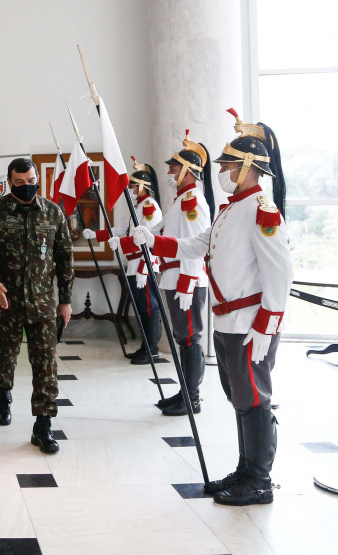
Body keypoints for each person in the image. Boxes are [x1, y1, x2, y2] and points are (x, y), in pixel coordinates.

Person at [132, 109, 291, 506]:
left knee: (255, 399)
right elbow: (194, 245)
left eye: (229, 166)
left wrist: (266, 326)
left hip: (249, 322)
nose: (221, 172)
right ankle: (245, 469)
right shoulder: (230, 209)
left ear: (248, 168)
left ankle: (259, 480)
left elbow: (280, 274)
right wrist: (153, 241)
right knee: (240, 397)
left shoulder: (261, 211)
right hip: (227, 321)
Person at [0, 157, 73, 452]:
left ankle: (43, 426)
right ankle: (3, 395)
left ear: (37, 178)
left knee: (46, 366)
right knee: (3, 358)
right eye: (20, 182)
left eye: (31, 181)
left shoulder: (52, 213)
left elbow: (65, 259)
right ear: (10, 182)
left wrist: (65, 300)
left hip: (43, 305)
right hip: (6, 304)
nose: (27, 186)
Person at [153, 131, 214, 416]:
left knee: (190, 338)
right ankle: (185, 392)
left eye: (173, 168)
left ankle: (193, 398)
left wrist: (187, 284)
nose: (169, 172)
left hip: (184, 280)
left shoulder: (192, 202)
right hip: (174, 277)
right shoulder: (181, 200)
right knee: (183, 338)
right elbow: (163, 232)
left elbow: (194, 246)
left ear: (189, 171)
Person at [83, 157, 164, 365]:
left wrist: (121, 244)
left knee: (149, 307)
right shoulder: (138, 206)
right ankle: (144, 346)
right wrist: (96, 235)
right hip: (134, 264)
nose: (130, 189)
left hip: (144, 265)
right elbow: (122, 229)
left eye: (133, 186)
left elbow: (147, 239)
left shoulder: (149, 207)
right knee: (140, 306)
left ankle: (152, 349)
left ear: (144, 186)